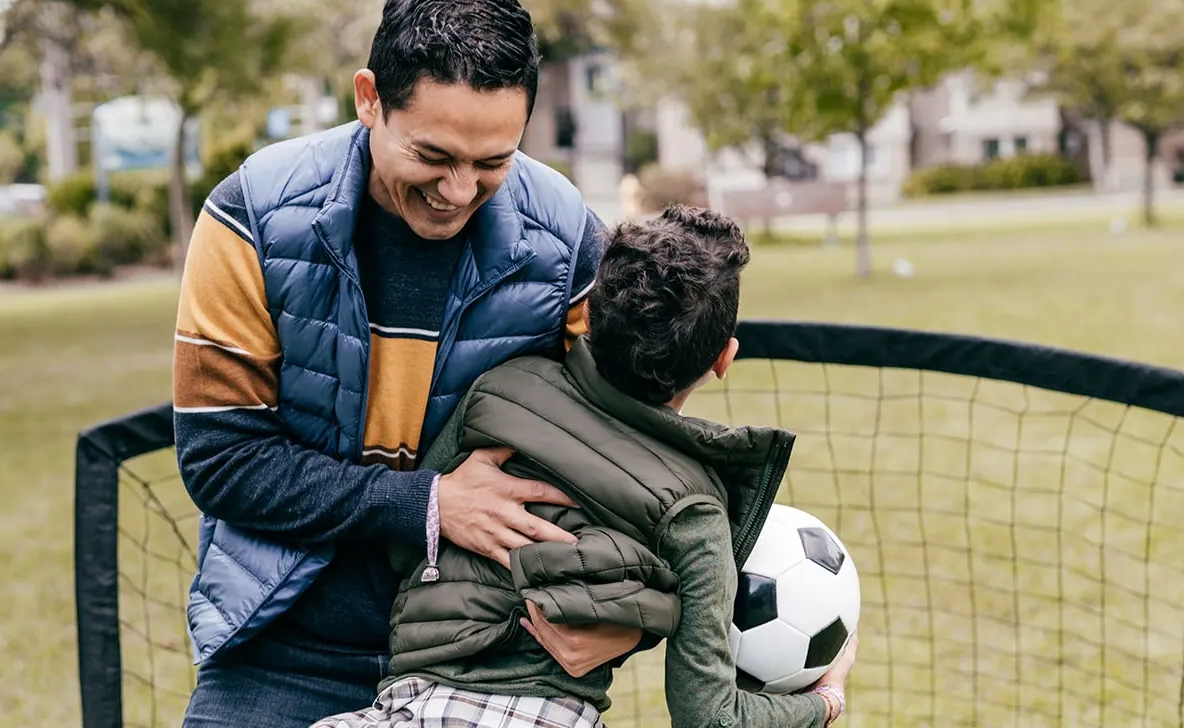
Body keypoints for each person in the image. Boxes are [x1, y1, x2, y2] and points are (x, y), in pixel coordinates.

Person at [171, 0, 641, 727]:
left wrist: (635, 617)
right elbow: (221, 457)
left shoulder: (570, 242)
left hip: (490, 662)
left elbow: (633, 450)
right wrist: (430, 504)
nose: (459, 190)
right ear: (369, 99)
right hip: (286, 650)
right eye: (434, 155)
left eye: (493, 162)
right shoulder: (250, 217)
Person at [309, 205, 856, 728]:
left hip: (408, 703)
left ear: (588, 315)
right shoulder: (695, 516)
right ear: (723, 359)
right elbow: (709, 715)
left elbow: (408, 546)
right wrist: (825, 703)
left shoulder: (503, 389)